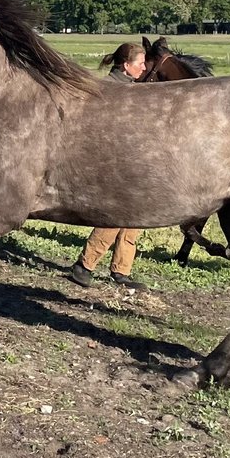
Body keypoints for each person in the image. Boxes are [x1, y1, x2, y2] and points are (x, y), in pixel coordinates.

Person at [68, 42, 150, 291]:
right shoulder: (108, 91)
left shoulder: (134, 89)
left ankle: (121, 270)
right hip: (111, 163)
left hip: (132, 161)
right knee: (116, 215)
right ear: (126, 66)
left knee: (136, 217)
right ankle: (85, 265)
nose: (144, 68)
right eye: (140, 64)